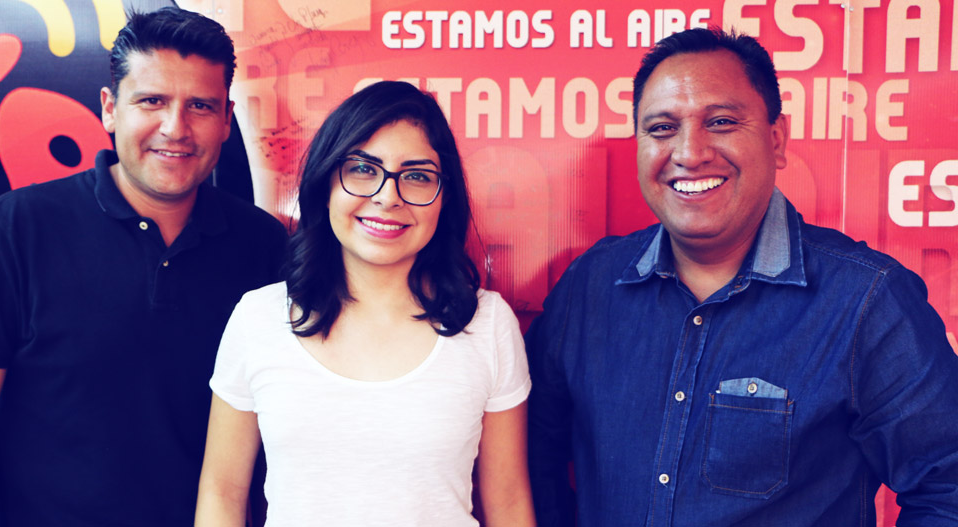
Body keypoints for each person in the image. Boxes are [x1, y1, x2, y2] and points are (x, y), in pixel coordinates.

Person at [526, 27, 958, 526]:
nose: (690, 153)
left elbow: (947, 488)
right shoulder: (589, 287)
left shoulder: (866, 301)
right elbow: (531, 461)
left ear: (776, 139)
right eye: (662, 128)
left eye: (721, 122)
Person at [0, 7, 286, 526]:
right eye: (151, 101)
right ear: (110, 108)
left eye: (200, 106)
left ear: (226, 119)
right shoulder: (17, 229)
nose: (175, 128)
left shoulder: (264, 246)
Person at [195, 81, 536, 527]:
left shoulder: (487, 323)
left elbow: (508, 502)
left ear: (445, 197)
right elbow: (222, 492)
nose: (387, 196)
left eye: (417, 176)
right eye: (361, 168)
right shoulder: (259, 318)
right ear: (326, 182)